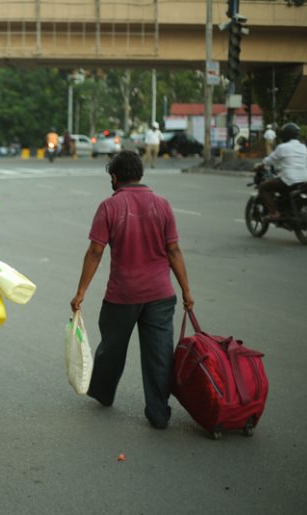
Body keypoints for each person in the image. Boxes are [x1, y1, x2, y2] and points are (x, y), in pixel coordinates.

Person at [70, 150, 194, 430]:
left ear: (115, 177)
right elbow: (173, 250)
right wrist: (186, 291)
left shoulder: (109, 207)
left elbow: (95, 252)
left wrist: (81, 292)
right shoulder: (162, 204)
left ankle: (103, 393)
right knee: (160, 354)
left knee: (112, 348)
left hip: (122, 296)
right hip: (161, 294)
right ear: (139, 174)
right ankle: (158, 412)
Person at [258, 122, 307, 221]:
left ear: (285, 135)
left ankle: (274, 212)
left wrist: (261, 165)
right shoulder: (304, 147)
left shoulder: (282, 147)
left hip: (288, 180)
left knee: (263, 186)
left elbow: (270, 160)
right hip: (303, 180)